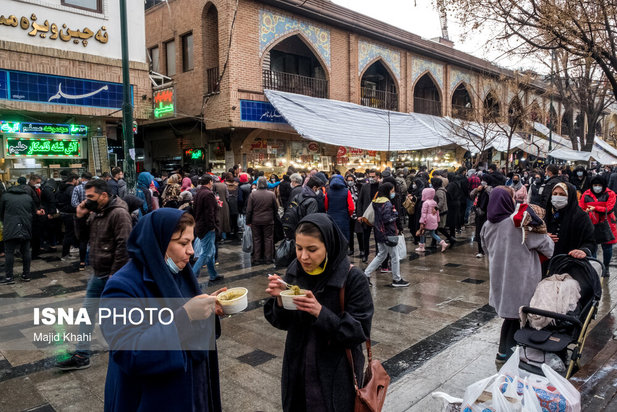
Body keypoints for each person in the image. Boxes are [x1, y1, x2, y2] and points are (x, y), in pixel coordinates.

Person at [100, 209, 223, 411]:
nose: (191, 251)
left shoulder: (180, 273)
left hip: (192, 392)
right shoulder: (121, 286)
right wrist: (186, 315)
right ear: (157, 243)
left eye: (191, 242)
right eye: (183, 243)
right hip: (153, 398)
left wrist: (209, 311)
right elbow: (130, 353)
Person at [264, 214, 373, 412]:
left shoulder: (352, 278)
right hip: (297, 369)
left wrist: (320, 312)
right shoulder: (295, 271)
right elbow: (282, 323)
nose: (303, 257)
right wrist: (280, 301)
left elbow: (359, 331)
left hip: (335, 374)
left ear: (329, 246)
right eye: (299, 248)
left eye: (312, 249)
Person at [56, 179, 132, 370]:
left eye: (91, 197)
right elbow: (81, 238)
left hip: (112, 276)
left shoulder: (119, 214)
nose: (87, 200)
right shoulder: (97, 213)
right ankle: (82, 354)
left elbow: (125, 246)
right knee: (87, 314)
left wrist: (115, 277)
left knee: (115, 318)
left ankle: (128, 352)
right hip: (98, 274)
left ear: (104, 196)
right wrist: (80, 216)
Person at [481, 187, 554, 363]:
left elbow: (485, 248)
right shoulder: (518, 224)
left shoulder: (487, 225)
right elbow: (548, 248)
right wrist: (547, 237)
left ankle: (503, 353)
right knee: (519, 318)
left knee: (510, 318)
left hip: (500, 279)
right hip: (522, 279)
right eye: (513, 197)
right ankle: (512, 356)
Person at [363, 183, 409, 287]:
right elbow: (388, 219)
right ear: (387, 191)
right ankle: (397, 279)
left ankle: (366, 274)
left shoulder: (376, 202)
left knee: (381, 255)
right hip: (388, 233)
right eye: (392, 191)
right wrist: (395, 214)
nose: (393, 193)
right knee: (395, 256)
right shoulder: (387, 203)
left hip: (379, 232)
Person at [545, 182, 595, 262]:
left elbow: (590, 241)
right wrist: (543, 237)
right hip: (545, 261)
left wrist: (583, 251)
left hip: (570, 262)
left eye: (562, 194)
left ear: (570, 196)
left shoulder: (581, 216)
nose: (557, 197)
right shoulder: (547, 214)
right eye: (555, 194)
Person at [0, 177, 36, 284]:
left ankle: (9, 277)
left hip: (10, 227)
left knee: (9, 252)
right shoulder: (27, 197)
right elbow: (33, 212)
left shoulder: (5, 196)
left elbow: (1, 213)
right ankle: (26, 275)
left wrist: (5, 221)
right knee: (26, 251)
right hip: (26, 226)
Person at [579, 176, 616, 276]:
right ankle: (595, 268)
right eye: (595, 185)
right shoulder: (586, 194)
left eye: (599, 185)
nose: (597, 187)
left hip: (606, 224)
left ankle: (606, 266)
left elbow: (610, 208)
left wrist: (595, 208)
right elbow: (581, 207)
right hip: (591, 224)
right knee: (593, 247)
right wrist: (585, 211)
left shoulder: (610, 194)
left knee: (607, 248)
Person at [193, 175, 222, 281]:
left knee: (211, 251)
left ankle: (213, 274)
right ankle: (192, 276)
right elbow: (210, 212)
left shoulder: (199, 193)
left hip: (200, 225)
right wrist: (212, 226)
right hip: (207, 227)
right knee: (205, 253)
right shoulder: (208, 194)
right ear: (210, 182)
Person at [246, 176, 277, 265]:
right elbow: (275, 208)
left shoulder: (253, 195)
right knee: (268, 239)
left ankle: (257, 258)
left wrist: (248, 221)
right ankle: (268, 258)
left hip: (256, 221)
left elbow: (249, 210)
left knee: (256, 239)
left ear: (258, 184)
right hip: (268, 220)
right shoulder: (271, 194)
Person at [357, 170, 380, 262]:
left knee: (378, 237)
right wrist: (359, 215)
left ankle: (378, 255)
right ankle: (365, 254)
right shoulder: (365, 187)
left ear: (377, 177)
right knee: (365, 236)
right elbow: (360, 201)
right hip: (366, 215)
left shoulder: (381, 187)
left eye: (373, 177)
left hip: (378, 215)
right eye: (369, 177)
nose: (371, 178)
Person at [415, 187, 447, 252]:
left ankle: (421, 247)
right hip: (433, 219)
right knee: (432, 233)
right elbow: (437, 212)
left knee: (422, 233)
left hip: (427, 220)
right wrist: (437, 220)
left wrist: (422, 222)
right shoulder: (434, 202)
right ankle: (443, 243)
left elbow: (423, 213)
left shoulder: (425, 203)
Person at [325, 175, 354, 242]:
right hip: (343, 217)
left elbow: (326, 206)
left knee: (333, 236)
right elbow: (351, 207)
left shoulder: (328, 192)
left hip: (331, 217)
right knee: (344, 236)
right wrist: (348, 214)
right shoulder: (347, 191)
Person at [57, 174, 79, 261]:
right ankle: (65, 254)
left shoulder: (60, 188)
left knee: (69, 233)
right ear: (74, 180)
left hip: (63, 212)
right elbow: (74, 202)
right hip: (70, 213)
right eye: (77, 180)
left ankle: (69, 251)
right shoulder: (71, 189)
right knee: (69, 234)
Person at [470, 176, 493, 258]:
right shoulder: (479, 190)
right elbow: (471, 195)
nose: (482, 182)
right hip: (479, 214)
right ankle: (480, 250)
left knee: (486, 232)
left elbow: (492, 196)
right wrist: (476, 190)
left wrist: (486, 188)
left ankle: (486, 249)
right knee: (479, 232)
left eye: (484, 180)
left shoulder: (490, 189)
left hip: (486, 214)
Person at [345, 174, 363, 256]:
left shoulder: (359, 188)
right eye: (348, 180)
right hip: (349, 214)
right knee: (350, 232)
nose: (350, 182)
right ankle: (351, 249)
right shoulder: (345, 190)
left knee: (359, 233)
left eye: (351, 180)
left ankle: (362, 250)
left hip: (358, 213)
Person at [213, 177, 231, 241]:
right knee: (224, 220)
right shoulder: (224, 185)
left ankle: (219, 236)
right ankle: (224, 236)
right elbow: (227, 196)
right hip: (224, 204)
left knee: (218, 220)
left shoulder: (214, 185)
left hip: (217, 204)